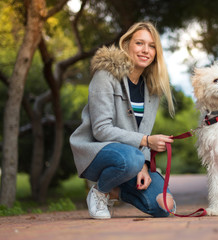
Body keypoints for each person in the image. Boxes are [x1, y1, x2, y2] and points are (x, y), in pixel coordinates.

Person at [70, 21, 176, 219]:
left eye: (152, 46)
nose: (146, 50)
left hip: (132, 160)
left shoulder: (151, 89)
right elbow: (101, 130)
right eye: (139, 43)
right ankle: (100, 191)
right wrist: (146, 142)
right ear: (126, 45)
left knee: (165, 206)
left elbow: (142, 131)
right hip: (97, 152)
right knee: (131, 158)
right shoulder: (105, 75)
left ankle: (116, 191)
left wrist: (144, 165)